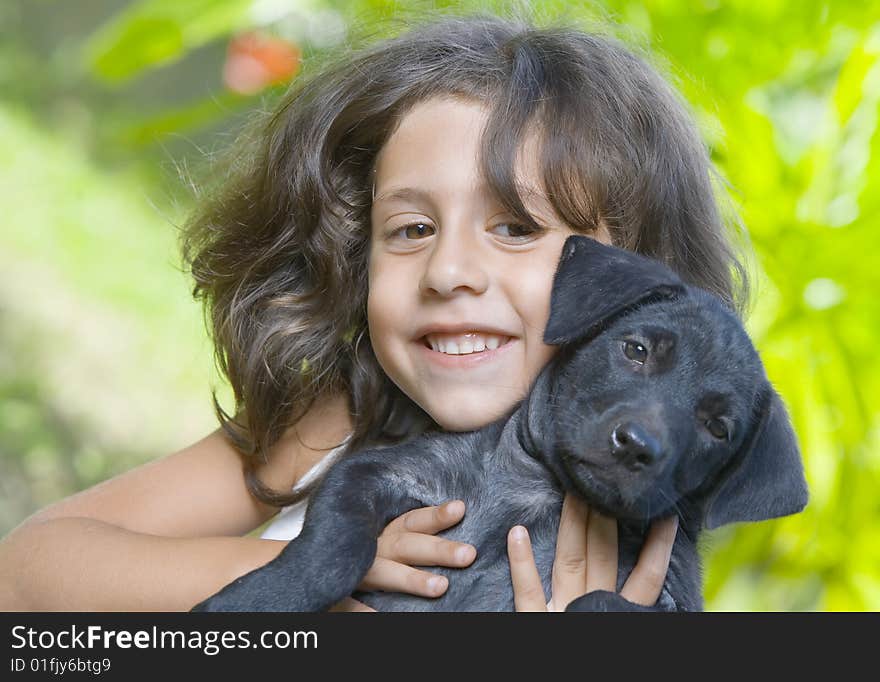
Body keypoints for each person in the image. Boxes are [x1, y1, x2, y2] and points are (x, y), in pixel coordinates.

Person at [0, 10, 751, 612]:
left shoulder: (643, 540)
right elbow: (25, 577)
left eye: (516, 228)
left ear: (644, 286)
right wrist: (310, 575)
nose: (448, 271)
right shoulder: (346, 416)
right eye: (412, 229)